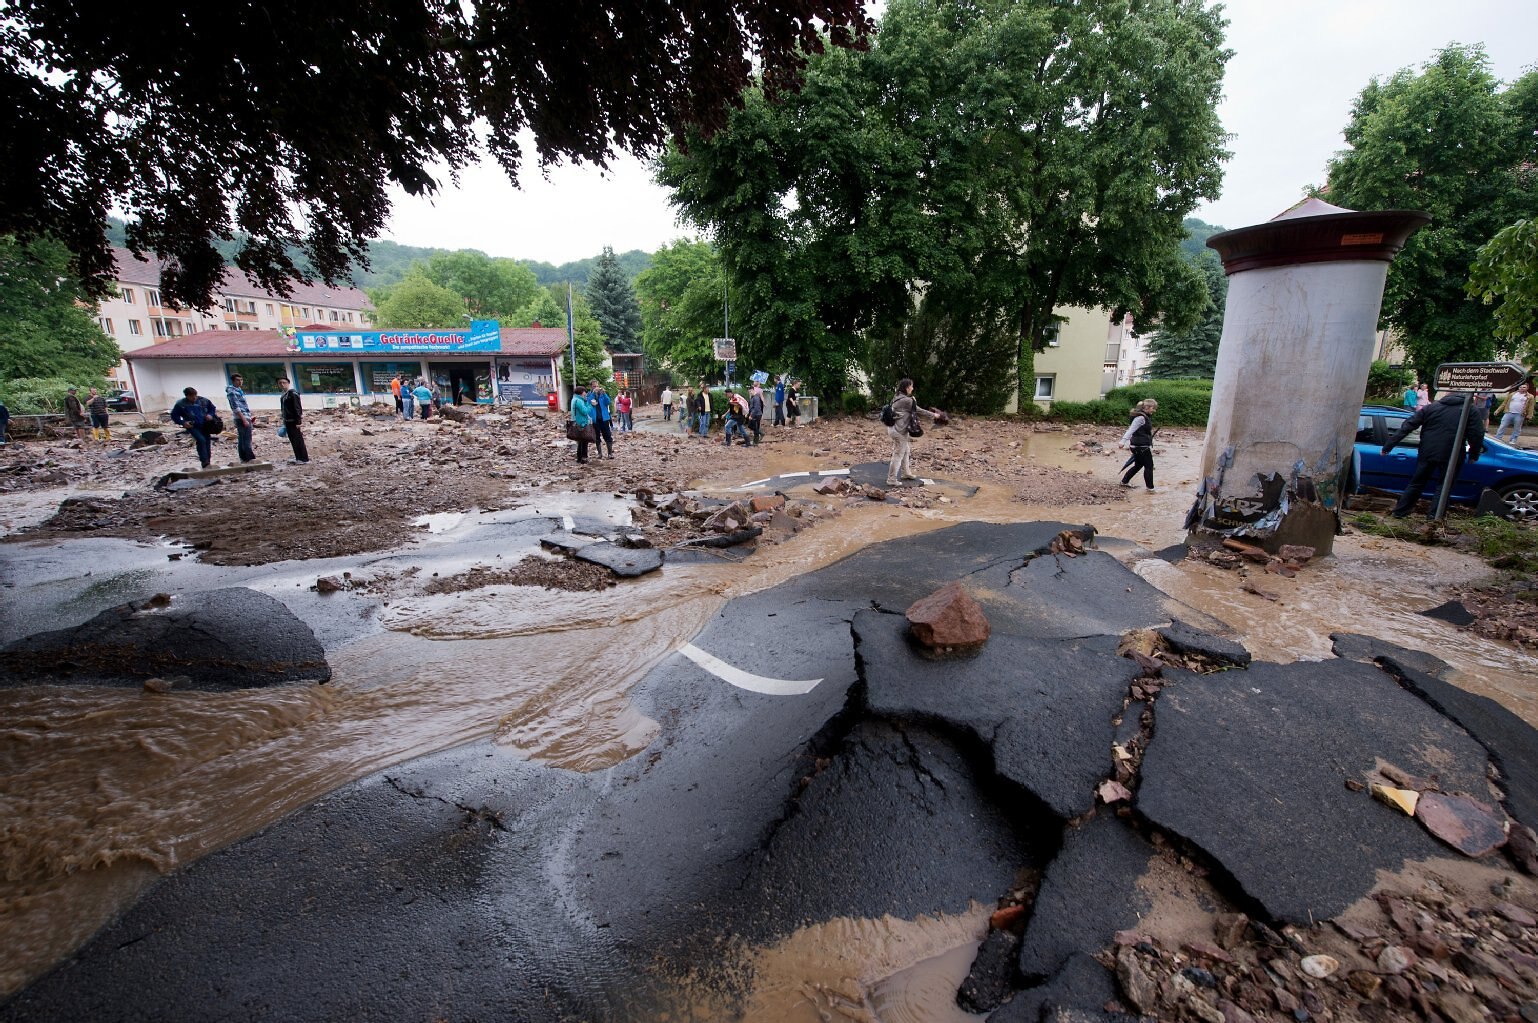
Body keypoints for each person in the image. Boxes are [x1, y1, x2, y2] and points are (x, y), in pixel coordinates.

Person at [1382, 390, 1485, 518]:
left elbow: (1408, 425)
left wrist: (1389, 445)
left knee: (1417, 482)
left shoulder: (1432, 407)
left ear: (1447, 394)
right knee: (1444, 486)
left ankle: (1400, 512)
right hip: (1452, 454)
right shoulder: (1470, 410)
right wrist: (1474, 454)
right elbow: (1477, 434)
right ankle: (1434, 518)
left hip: (1427, 451)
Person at [885, 378, 939, 486]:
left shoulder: (897, 397)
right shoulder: (907, 400)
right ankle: (891, 479)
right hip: (899, 431)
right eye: (911, 386)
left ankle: (906, 473)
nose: (912, 388)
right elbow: (919, 410)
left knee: (906, 451)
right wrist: (934, 415)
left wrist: (913, 401)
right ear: (906, 387)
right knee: (898, 454)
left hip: (894, 429)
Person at [170, 386, 218, 468]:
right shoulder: (181, 404)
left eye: (195, 396)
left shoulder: (203, 400)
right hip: (192, 426)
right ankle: (204, 461)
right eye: (192, 396)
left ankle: (208, 461)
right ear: (187, 396)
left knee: (207, 441)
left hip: (205, 425)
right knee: (201, 440)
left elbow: (212, 408)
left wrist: (210, 415)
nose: (194, 398)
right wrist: (182, 422)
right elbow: (174, 415)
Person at [1118, 399, 1160, 490]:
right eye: (1153, 408)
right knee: (1149, 466)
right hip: (1141, 447)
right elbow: (1131, 430)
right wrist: (1122, 441)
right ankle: (1150, 488)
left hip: (1138, 446)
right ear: (1147, 407)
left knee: (1138, 465)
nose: (1154, 410)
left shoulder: (1143, 417)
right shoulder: (1140, 418)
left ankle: (1124, 482)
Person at [276, 375, 310, 463]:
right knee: (293, 440)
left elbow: (297, 407)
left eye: (284, 383)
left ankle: (303, 458)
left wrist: (298, 421)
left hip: (293, 421)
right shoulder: (284, 395)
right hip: (287, 421)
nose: (282, 384)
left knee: (297, 439)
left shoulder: (292, 393)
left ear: (288, 383)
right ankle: (298, 457)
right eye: (280, 383)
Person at [225, 373, 256, 463]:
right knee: (246, 437)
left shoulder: (239, 390)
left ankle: (244, 457)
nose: (240, 382)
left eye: (241, 380)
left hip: (245, 415)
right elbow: (235, 407)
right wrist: (244, 419)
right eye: (238, 380)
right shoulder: (232, 392)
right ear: (233, 381)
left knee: (243, 437)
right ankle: (249, 456)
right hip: (241, 417)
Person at [588, 379, 615, 457]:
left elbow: (608, 402)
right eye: (594, 386)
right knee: (597, 437)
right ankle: (600, 453)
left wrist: (604, 393)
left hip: (604, 418)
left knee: (607, 435)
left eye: (597, 386)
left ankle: (610, 453)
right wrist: (593, 393)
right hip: (595, 419)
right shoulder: (589, 394)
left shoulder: (602, 394)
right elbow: (588, 402)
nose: (596, 388)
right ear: (591, 387)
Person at [569, 383, 594, 464]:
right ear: (581, 392)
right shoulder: (579, 401)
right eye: (584, 392)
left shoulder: (574, 399)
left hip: (576, 422)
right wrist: (591, 405)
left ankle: (579, 458)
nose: (585, 393)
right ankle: (584, 458)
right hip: (581, 423)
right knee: (584, 440)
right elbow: (585, 411)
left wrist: (586, 401)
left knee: (580, 441)